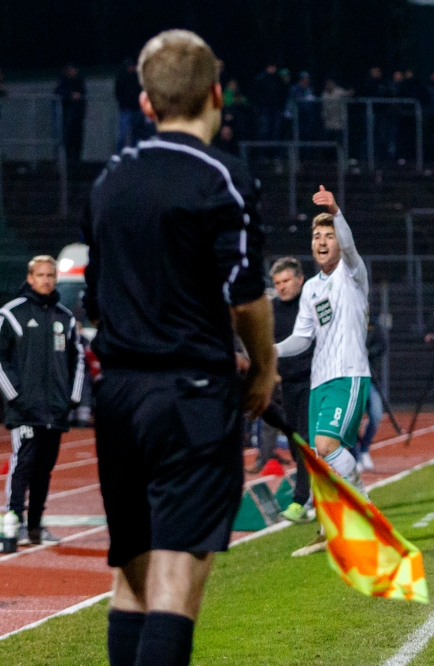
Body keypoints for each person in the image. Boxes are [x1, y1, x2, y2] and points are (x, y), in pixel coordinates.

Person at [83, 30, 275, 666]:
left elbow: (99, 297)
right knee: (174, 579)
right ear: (218, 93)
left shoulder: (110, 179)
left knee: (131, 577)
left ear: (145, 103)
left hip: (118, 399)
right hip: (190, 397)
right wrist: (263, 369)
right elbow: (246, 297)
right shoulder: (224, 177)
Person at [275, 185, 369, 509]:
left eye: (328, 236)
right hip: (319, 382)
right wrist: (271, 350)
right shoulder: (312, 288)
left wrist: (336, 213)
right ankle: (329, 528)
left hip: (348, 375)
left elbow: (351, 247)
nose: (322, 242)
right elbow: (303, 338)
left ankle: (364, 504)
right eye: (317, 237)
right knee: (320, 460)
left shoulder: (352, 273)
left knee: (327, 446)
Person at [0, 256, 84, 546]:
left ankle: (35, 526)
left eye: (51, 275)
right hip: (25, 408)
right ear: (30, 277)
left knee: (44, 469)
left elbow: (78, 359)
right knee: (23, 464)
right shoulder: (12, 314)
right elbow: (1, 357)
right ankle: (13, 522)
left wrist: (71, 399)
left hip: (55, 409)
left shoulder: (66, 317)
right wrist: (15, 394)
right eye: (41, 274)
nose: (47, 279)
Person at [258, 259, 314, 525]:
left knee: (304, 440)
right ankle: (314, 491)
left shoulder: (311, 303)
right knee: (294, 441)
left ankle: (300, 500)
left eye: (286, 281)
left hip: (313, 380)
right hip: (286, 384)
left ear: (300, 280)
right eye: (277, 283)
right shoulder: (271, 309)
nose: (281, 287)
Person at [355, 319, 388, 472]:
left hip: (370, 378)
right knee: (353, 419)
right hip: (353, 379)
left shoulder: (374, 322)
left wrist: (369, 352)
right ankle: (355, 456)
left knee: (376, 414)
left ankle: (365, 448)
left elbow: (382, 345)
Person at [55, 64, 86, 163]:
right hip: (67, 116)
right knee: (67, 139)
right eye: (71, 70)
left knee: (78, 140)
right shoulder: (63, 80)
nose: (73, 72)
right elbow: (58, 91)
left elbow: (83, 93)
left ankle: (77, 162)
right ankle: (67, 162)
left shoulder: (79, 81)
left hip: (78, 115)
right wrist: (70, 95)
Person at [115, 59, 145, 151]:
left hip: (136, 109)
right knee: (123, 134)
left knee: (135, 134)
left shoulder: (137, 78)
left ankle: (134, 154)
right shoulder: (122, 78)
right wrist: (123, 105)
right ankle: (120, 154)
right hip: (126, 109)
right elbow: (118, 93)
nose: (131, 68)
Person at [320, 78, 349, 145]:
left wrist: (350, 92)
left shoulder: (339, 91)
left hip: (339, 123)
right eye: (327, 84)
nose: (328, 85)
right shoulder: (324, 94)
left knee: (339, 143)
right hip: (328, 123)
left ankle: (341, 155)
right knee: (329, 143)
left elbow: (348, 94)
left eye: (330, 83)